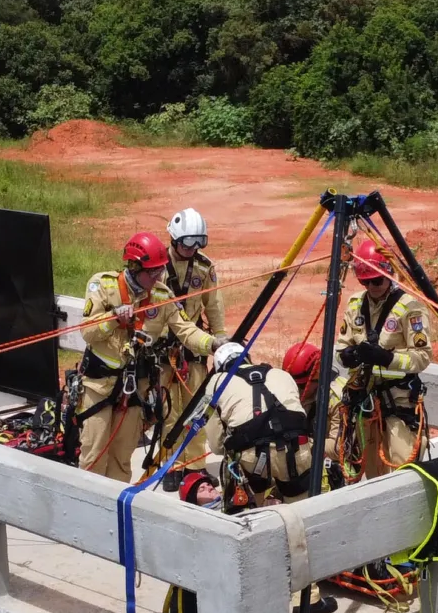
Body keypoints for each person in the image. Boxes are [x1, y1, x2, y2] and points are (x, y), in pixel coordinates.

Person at [77, 232, 219, 481]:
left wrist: (215, 344)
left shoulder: (162, 296)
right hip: (99, 387)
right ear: (134, 266)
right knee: (94, 455)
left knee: (122, 457)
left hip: (133, 392)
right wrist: (112, 321)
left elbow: (186, 330)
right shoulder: (104, 286)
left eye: (159, 271)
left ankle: (116, 509)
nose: (157, 277)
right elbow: (87, 332)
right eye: (151, 272)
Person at [331, 236, 432, 479]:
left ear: (387, 274)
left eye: (377, 280)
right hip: (363, 400)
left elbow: (423, 356)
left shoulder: (410, 308)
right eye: (367, 282)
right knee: (372, 471)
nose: (373, 286)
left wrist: (387, 358)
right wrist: (350, 355)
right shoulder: (355, 305)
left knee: (402, 466)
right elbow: (341, 347)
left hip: (397, 401)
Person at [203, 340, 314, 506]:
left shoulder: (216, 383)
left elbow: (217, 445)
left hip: (251, 458)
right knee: (302, 509)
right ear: (247, 359)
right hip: (297, 448)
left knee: (249, 514)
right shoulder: (280, 373)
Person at [163, 207, 225, 476]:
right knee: (168, 412)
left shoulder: (204, 267)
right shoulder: (158, 268)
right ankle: (171, 465)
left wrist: (220, 339)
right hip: (164, 350)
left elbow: (214, 305)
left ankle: (195, 467)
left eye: (200, 242)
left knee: (197, 408)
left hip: (195, 347)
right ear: (175, 239)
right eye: (189, 242)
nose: (194, 248)